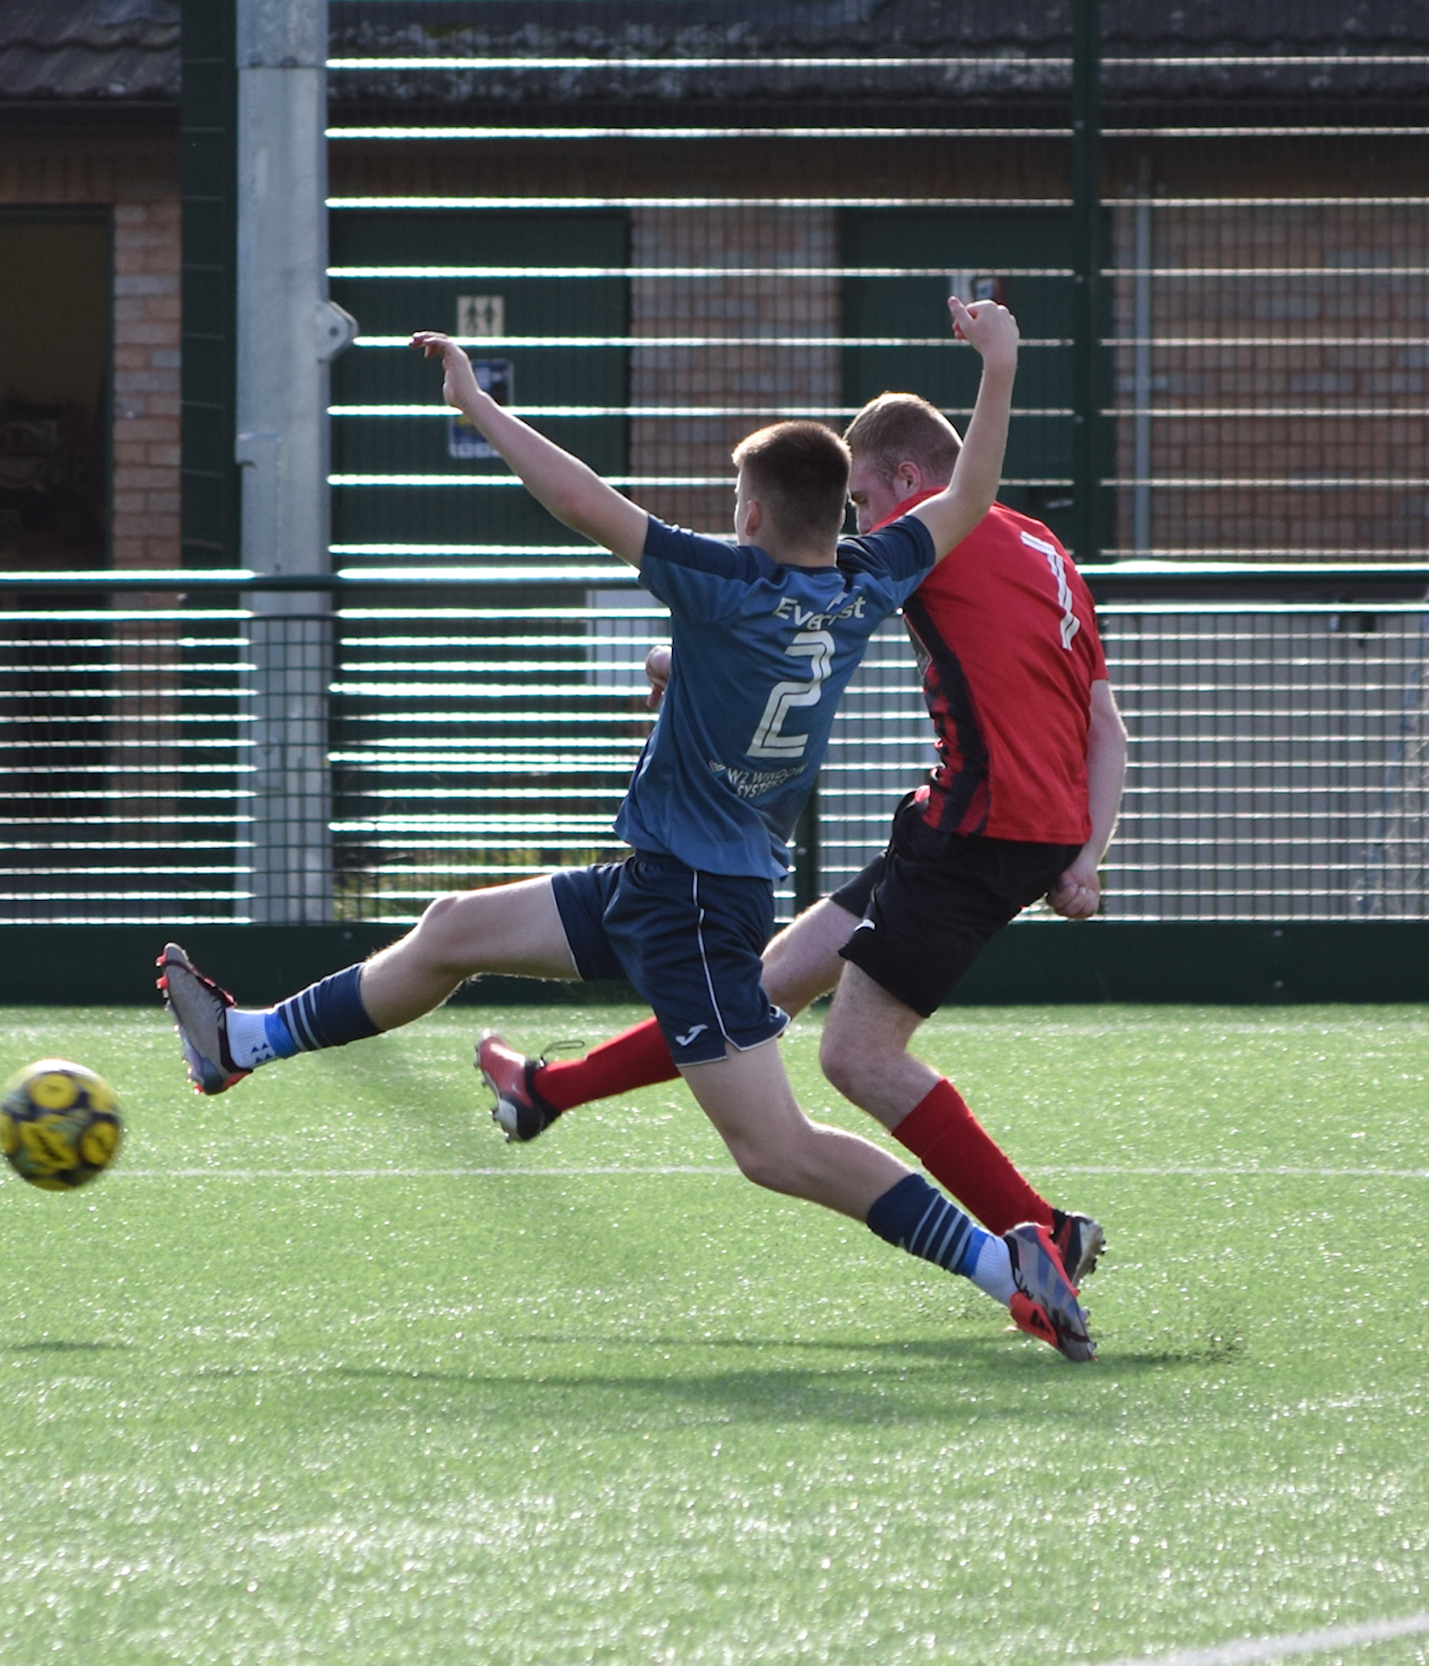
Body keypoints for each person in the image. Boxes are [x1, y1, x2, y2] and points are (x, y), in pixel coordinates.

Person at [161, 297, 1096, 1363]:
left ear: (752, 513)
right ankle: (240, 1042)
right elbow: (970, 490)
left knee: (775, 1148)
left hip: (693, 904)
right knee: (452, 927)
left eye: (735, 500)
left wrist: (477, 406)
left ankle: (1007, 1263)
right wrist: (1000, 364)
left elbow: (579, 497)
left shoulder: (723, 582)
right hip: (661, 884)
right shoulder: (867, 579)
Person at [480, 390, 1127, 1288]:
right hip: (993, 825)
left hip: (976, 833)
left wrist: (684, 665)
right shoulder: (1041, 544)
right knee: (766, 984)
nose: (851, 523)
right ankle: (544, 1091)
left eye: (860, 500)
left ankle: (1041, 1234)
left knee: (856, 1056)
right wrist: (1086, 856)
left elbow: (789, 623)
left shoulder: (927, 539)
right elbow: (1106, 725)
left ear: (909, 479)